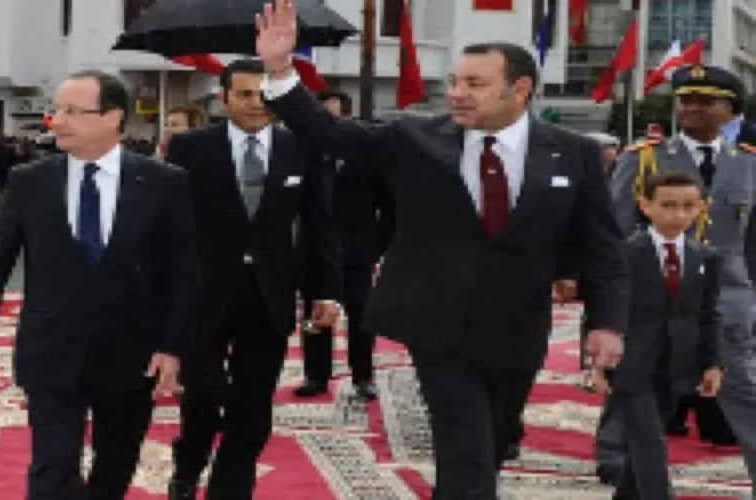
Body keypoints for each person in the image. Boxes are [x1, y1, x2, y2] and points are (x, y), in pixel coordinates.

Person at [254, 2, 627, 498]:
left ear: (520, 89)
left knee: (491, 444)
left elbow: (603, 245)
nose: (456, 94)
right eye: (454, 82)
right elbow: (332, 134)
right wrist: (281, 72)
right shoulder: (416, 138)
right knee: (464, 449)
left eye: (474, 84)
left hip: (519, 326)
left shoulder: (572, 152)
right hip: (436, 322)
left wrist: (605, 323)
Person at [0, 70, 198, 500]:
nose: (57, 121)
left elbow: (180, 271)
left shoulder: (163, 182)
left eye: (72, 111)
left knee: (116, 463)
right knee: (51, 470)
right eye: (56, 111)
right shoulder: (30, 180)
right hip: (50, 348)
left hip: (131, 353)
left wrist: (172, 345)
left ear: (112, 117)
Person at [165, 58, 341, 500]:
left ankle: (231, 486)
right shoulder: (190, 148)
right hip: (204, 295)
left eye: (264, 94)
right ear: (223, 98)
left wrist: (326, 291)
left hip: (271, 295)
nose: (256, 103)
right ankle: (188, 466)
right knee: (202, 396)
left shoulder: (301, 147)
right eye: (244, 94)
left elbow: (321, 223)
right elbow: (170, 226)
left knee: (254, 402)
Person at [609, 64, 756, 493]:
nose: (690, 108)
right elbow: (616, 235)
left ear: (729, 110)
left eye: (703, 101)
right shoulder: (644, 158)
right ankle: (625, 476)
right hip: (651, 303)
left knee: (745, 396)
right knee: (641, 401)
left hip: (725, 303)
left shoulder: (747, 165)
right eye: (685, 100)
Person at [594, 171, 723, 498]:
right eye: (668, 205)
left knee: (640, 455)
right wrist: (597, 360)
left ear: (700, 208)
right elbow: (604, 308)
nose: (678, 215)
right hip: (631, 365)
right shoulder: (624, 254)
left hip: (678, 365)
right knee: (650, 444)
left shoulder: (706, 257)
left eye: (687, 206)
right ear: (646, 205)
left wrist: (712, 363)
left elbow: (709, 315)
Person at [294, 89, 395, 401]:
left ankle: (363, 376)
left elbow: (390, 205)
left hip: (358, 251)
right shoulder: (303, 152)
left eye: (333, 118)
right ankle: (316, 375)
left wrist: (378, 245)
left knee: (362, 316)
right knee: (315, 316)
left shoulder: (367, 155)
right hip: (316, 251)